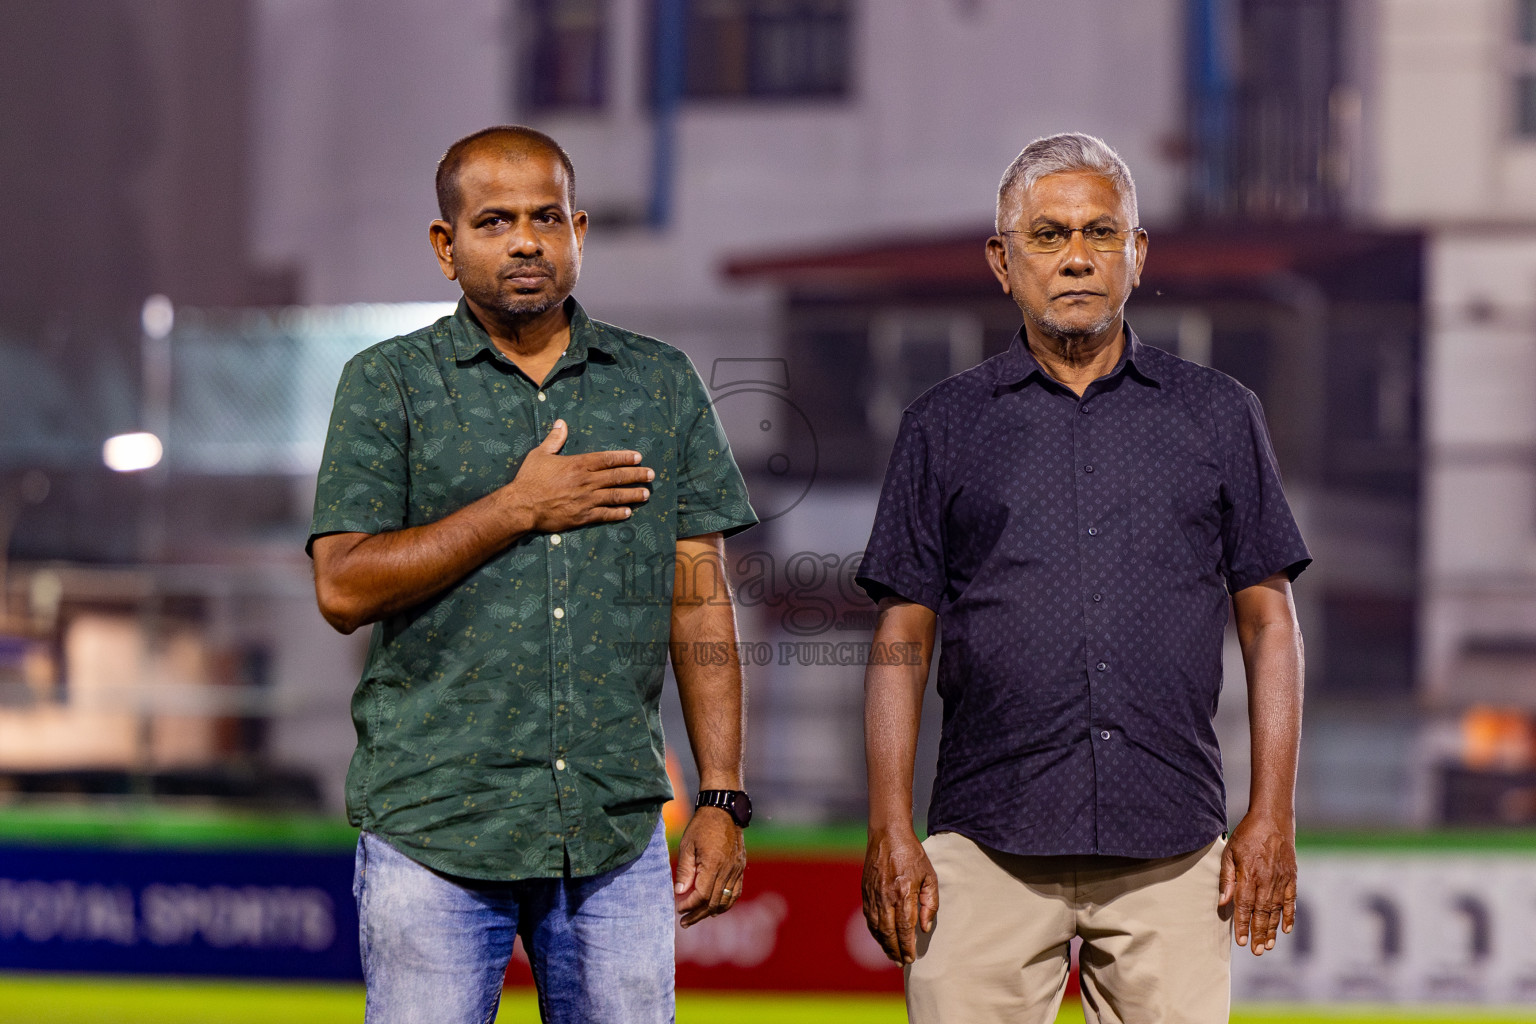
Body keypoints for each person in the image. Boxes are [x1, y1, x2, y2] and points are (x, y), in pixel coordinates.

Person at [308, 125, 758, 1024]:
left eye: (547, 217)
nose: (526, 240)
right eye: (495, 221)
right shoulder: (388, 384)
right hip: (431, 826)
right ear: (446, 246)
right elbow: (342, 588)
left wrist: (721, 794)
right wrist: (516, 507)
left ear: (579, 231)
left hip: (611, 830)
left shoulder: (658, 384)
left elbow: (700, 598)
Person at [856, 132, 1310, 1023]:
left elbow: (1270, 622)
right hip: (984, 844)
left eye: (1101, 234)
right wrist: (889, 826)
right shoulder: (942, 426)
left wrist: (1272, 814)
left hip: (1173, 847)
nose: (1075, 258)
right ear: (1003, 259)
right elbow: (901, 638)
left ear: (1138, 255)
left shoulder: (1219, 414)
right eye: (1048, 235)